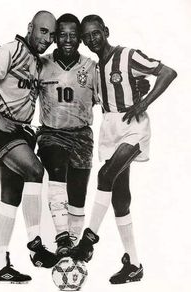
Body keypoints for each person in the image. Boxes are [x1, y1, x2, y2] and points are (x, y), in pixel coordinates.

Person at [34, 13, 150, 261]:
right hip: (52, 133)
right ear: (55, 38)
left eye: (73, 36)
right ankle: (62, 238)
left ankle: (74, 249)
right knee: (56, 169)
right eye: (62, 35)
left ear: (79, 40)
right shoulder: (40, 64)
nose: (67, 40)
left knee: (79, 195)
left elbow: (113, 91)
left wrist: (142, 89)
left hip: (82, 137)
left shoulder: (91, 67)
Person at [71, 14, 177, 285]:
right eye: (86, 37)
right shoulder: (94, 69)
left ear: (105, 31)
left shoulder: (128, 55)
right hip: (109, 128)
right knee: (120, 199)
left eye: (95, 33)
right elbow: (97, 96)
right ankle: (134, 264)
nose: (91, 39)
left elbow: (167, 72)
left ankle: (88, 241)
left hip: (132, 127)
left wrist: (144, 103)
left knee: (105, 176)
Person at [0, 10, 58, 284]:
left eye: (52, 35)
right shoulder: (12, 50)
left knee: (10, 198)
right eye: (43, 31)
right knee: (35, 170)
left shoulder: (36, 61)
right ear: (30, 27)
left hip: (22, 132)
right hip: (2, 130)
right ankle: (35, 245)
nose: (48, 39)